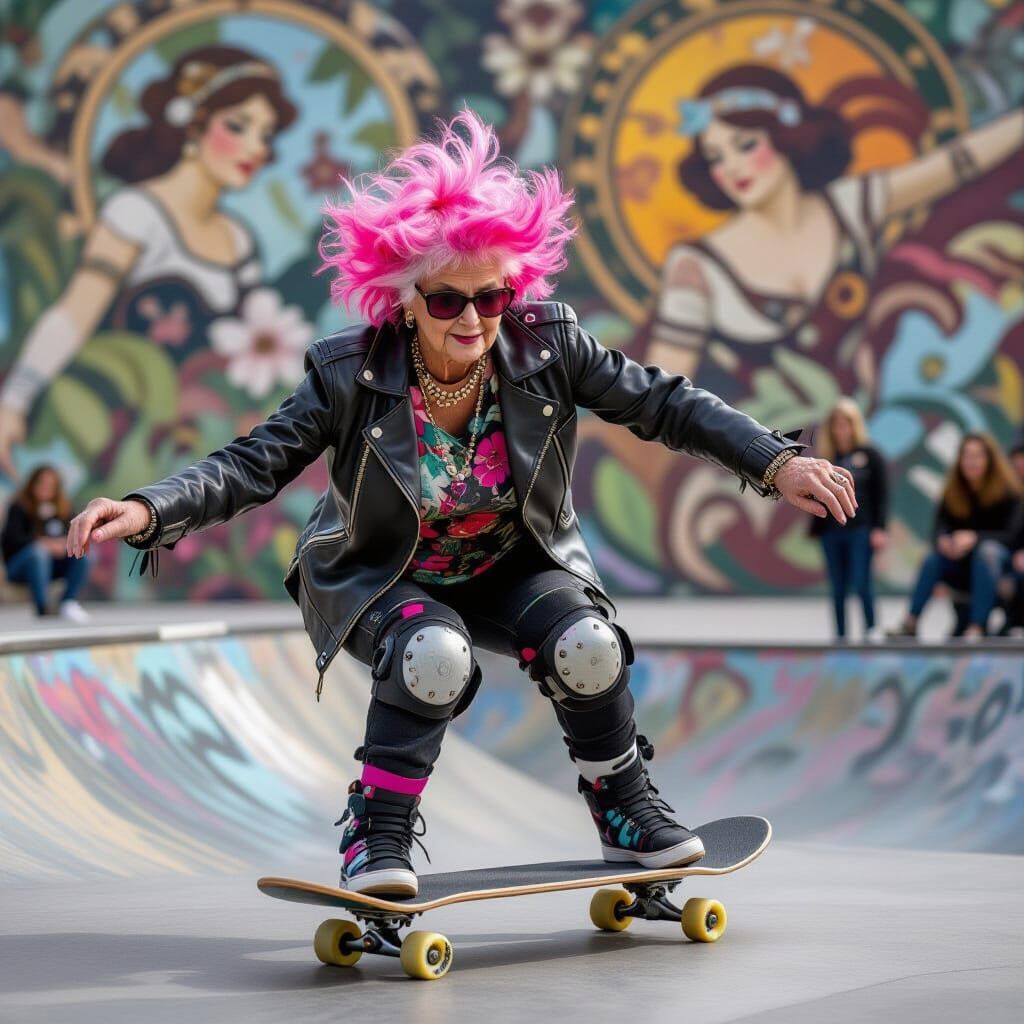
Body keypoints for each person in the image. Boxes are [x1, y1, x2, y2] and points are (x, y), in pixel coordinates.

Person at [65, 109, 856, 898]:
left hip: (512, 568)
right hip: (384, 577)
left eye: (492, 297)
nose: (473, 319)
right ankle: (375, 836)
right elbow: (252, 463)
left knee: (589, 643)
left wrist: (775, 461)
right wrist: (149, 510)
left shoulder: (548, 345)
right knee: (433, 655)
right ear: (403, 297)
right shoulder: (348, 375)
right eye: (446, 301)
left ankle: (624, 807)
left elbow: (666, 404)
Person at [0, 45, 297, 479]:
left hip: (203, 451)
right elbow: (74, 313)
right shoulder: (135, 212)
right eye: (238, 126)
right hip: (120, 437)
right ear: (194, 126)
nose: (255, 147)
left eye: (266, 134)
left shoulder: (239, 238)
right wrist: (14, 402)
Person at [888, 433, 1022, 640]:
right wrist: (944, 541)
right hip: (960, 567)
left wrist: (975, 538)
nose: (972, 462)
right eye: (967, 456)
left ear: (990, 460)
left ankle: (977, 627)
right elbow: (939, 528)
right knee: (932, 559)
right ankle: (911, 622)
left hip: (995, 568)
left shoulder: (1009, 493)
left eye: (977, 456)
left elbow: (1012, 538)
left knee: (987, 553)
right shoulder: (953, 492)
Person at [810, 398, 887, 641]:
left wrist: (879, 528)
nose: (841, 430)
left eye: (846, 424)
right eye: (836, 425)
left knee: (861, 581)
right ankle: (841, 635)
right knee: (838, 587)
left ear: (855, 426)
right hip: (831, 530)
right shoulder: (825, 460)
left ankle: (871, 629)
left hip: (860, 529)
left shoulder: (871, 455)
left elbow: (881, 495)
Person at [2, 465, 92, 620]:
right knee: (39, 553)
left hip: (54, 566)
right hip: (20, 566)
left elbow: (74, 535)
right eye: (41, 483)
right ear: (32, 484)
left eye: (51, 485)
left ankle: (67, 602)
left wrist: (63, 544)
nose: (46, 488)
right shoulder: (18, 507)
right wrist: (42, 543)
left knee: (83, 553)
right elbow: (11, 540)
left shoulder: (64, 508)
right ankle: (42, 607)